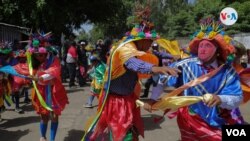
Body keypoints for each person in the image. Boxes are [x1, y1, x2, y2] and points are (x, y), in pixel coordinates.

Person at [84, 7, 180, 141]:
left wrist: (171, 56)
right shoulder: (125, 49)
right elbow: (131, 63)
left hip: (128, 98)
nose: (151, 44)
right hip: (116, 101)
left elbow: (155, 54)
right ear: (140, 40)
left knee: (131, 133)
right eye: (150, 41)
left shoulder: (137, 48)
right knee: (123, 136)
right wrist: (154, 68)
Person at [144, 18, 243, 141]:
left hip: (220, 117)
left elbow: (237, 97)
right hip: (191, 117)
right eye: (201, 45)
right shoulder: (184, 65)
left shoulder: (228, 71)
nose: (202, 49)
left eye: (208, 45)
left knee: (240, 134)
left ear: (217, 50)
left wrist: (220, 99)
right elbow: (162, 79)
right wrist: (152, 99)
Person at [27, 33, 69, 141]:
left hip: (53, 92)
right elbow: (29, 72)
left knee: (54, 116)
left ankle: (52, 139)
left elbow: (53, 72)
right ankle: (43, 137)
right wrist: (30, 78)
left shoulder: (54, 60)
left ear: (46, 52)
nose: (38, 57)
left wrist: (39, 78)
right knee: (44, 116)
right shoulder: (33, 61)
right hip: (41, 92)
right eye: (36, 55)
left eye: (40, 55)